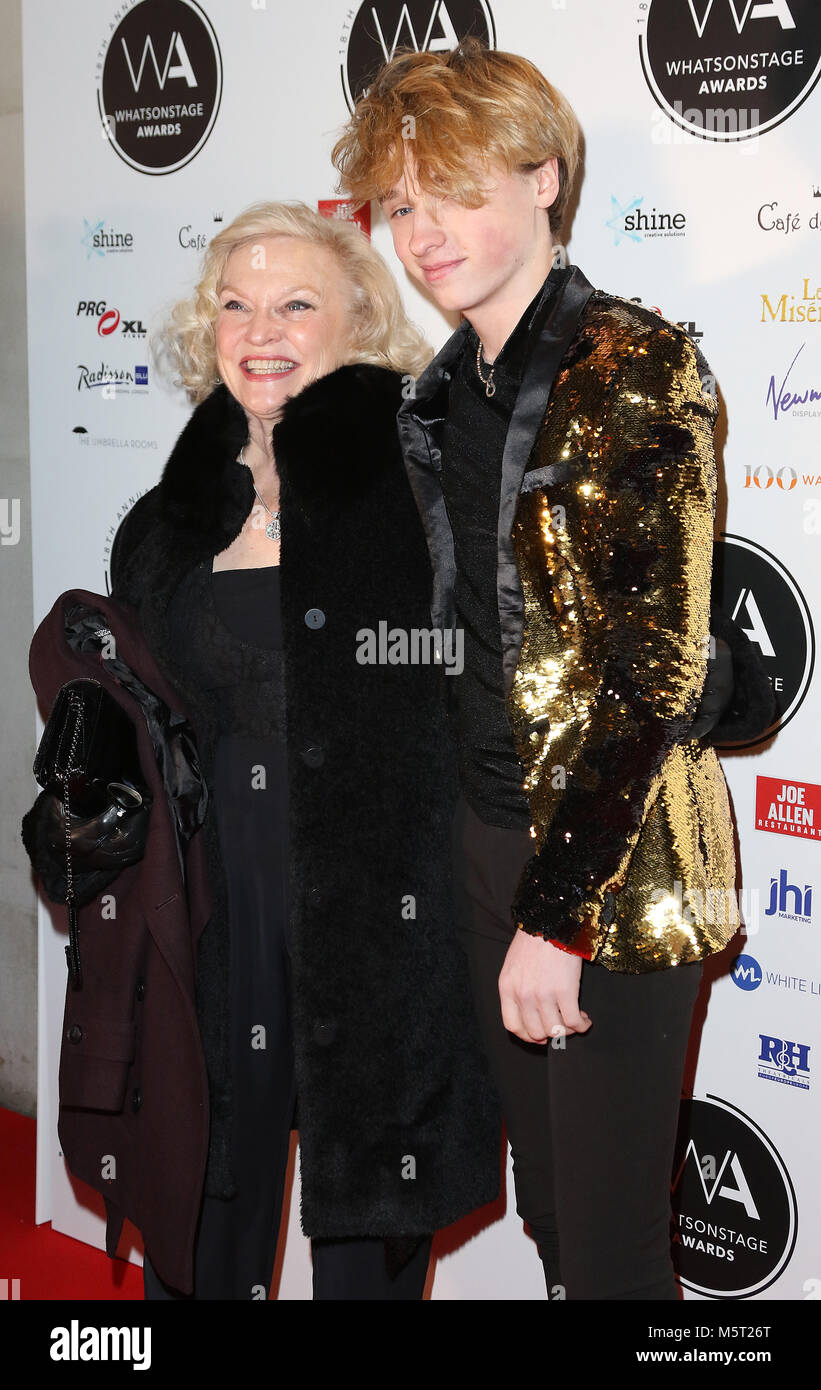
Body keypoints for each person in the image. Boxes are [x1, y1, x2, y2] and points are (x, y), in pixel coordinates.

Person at [330, 40, 771, 1300]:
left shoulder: (631, 365)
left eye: (454, 189)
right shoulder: (430, 399)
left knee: (615, 1248)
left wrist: (555, 909)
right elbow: (458, 634)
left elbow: (648, 674)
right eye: (401, 205)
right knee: (555, 1226)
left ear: (541, 178)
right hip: (482, 837)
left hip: (613, 864)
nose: (422, 233)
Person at [28, 200, 501, 1300]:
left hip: (384, 918)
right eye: (235, 303)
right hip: (208, 910)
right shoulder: (166, 522)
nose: (261, 327)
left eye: (296, 302)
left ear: (358, 324)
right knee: (204, 1213)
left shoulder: (422, 494)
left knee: (367, 1239)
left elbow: (479, 697)